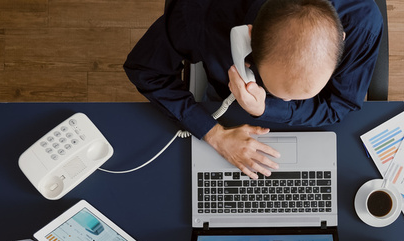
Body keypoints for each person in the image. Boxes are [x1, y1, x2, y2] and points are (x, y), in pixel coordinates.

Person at [124, 0, 383, 179]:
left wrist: (268, 106)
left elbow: (339, 104)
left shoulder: (362, 23)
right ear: (246, 38)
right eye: (277, 91)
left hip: (313, 123)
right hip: (225, 106)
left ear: (342, 40)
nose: (285, 100)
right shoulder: (200, 10)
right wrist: (213, 133)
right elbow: (145, 69)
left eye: (299, 95)